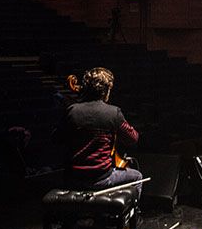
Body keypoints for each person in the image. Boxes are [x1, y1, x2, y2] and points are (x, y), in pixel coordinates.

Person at [53, 66, 143, 197]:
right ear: (106, 90)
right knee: (137, 177)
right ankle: (129, 215)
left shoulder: (72, 111)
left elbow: (56, 139)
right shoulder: (113, 112)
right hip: (101, 178)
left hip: (73, 177)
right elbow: (133, 138)